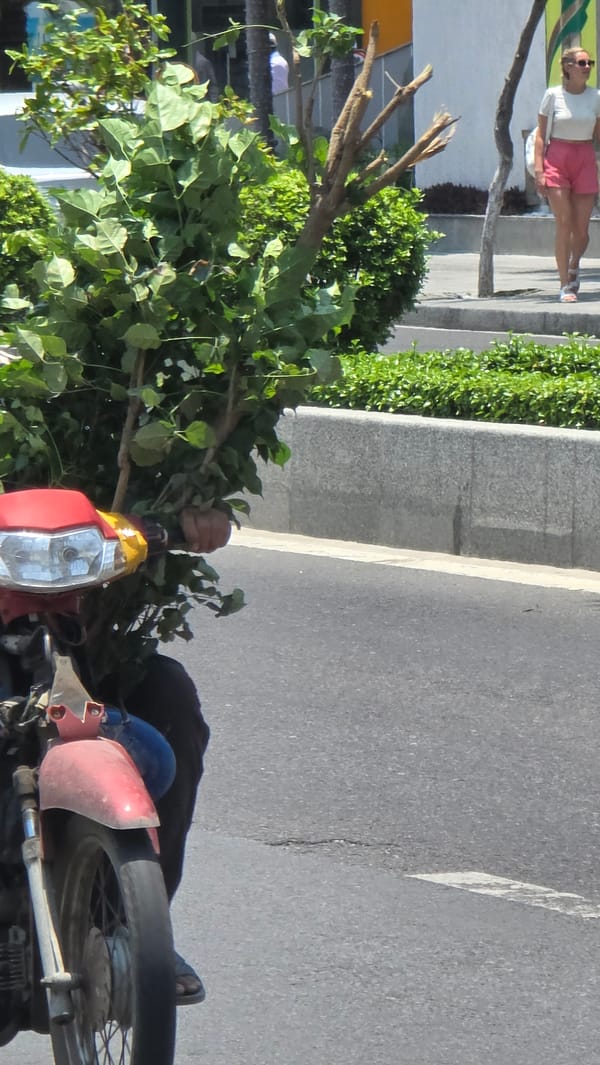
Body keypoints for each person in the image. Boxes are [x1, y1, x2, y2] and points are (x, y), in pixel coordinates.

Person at [100, 505, 232, 1005]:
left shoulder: (121, 432)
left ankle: (139, 927)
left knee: (168, 694)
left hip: (79, 632)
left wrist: (195, 515)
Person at [534, 46, 600, 303]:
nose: (587, 68)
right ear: (568, 67)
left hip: (584, 157)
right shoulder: (553, 95)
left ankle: (574, 265)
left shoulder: (595, 96)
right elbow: (541, 135)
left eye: (589, 63)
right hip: (557, 157)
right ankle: (565, 285)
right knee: (564, 222)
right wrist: (539, 170)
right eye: (582, 63)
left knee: (581, 230)